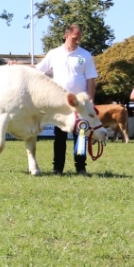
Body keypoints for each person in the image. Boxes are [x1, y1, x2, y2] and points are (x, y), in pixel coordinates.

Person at [34, 24, 98, 175]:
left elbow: (90, 80)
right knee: (60, 137)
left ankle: (81, 167)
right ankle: (58, 168)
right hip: (61, 103)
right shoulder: (54, 53)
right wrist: (18, 65)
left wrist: (90, 101)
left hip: (80, 104)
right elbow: (38, 70)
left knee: (81, 136)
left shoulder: (85, 55)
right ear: (67, 35)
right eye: (75, 38)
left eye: (79, 38)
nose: (78, 41)